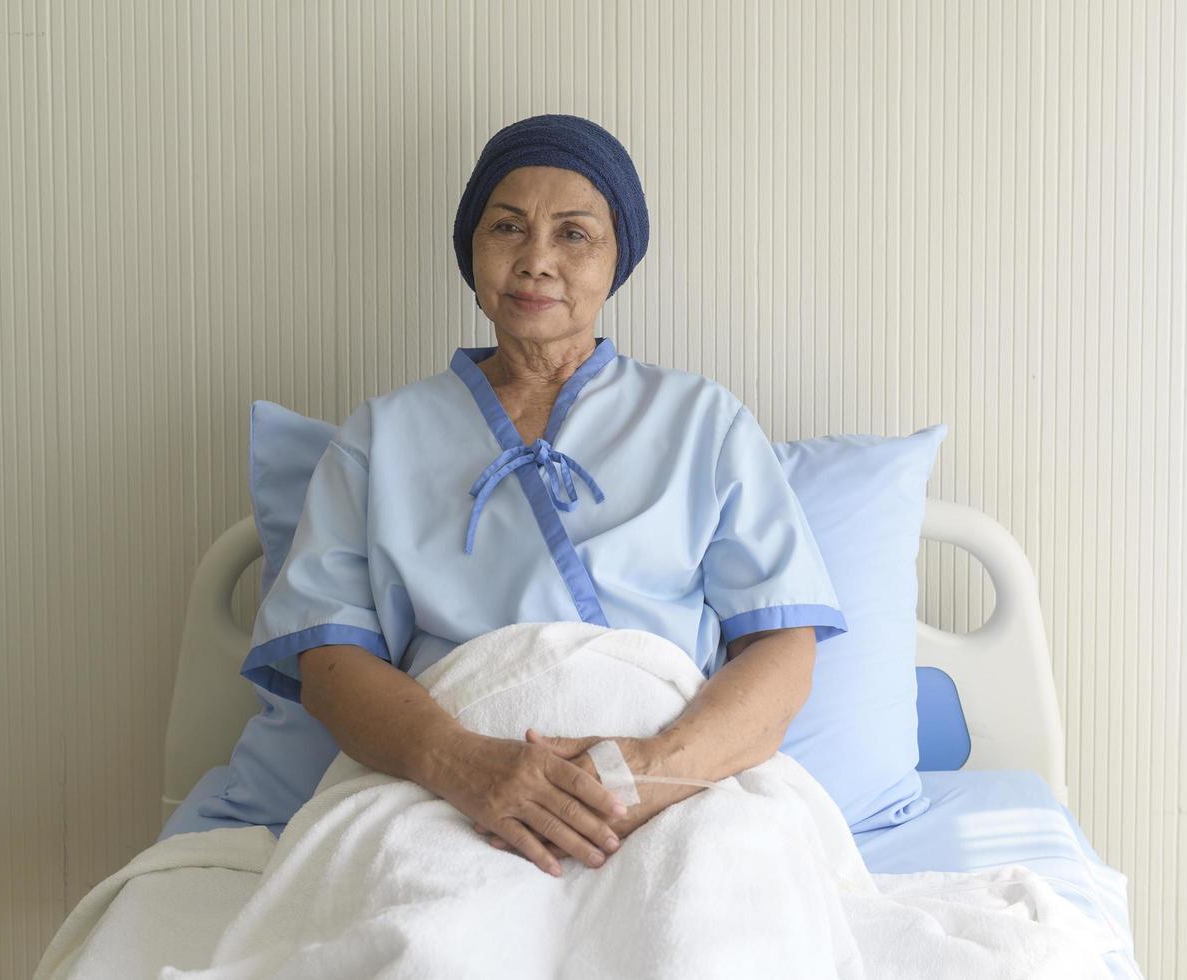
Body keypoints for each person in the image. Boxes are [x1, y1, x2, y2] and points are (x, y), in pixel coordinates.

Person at [241, 114, 846, 880]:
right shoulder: (380, 436)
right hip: (442, 785)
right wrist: (466, 768)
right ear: (472, 247)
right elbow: (327, 661)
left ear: (616, 257)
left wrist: (647, 774)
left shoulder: (703, 421)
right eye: (507, 228)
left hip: (677, 782)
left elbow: (782, 648)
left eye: (573, 234)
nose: (535, 261)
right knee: (421, 941)